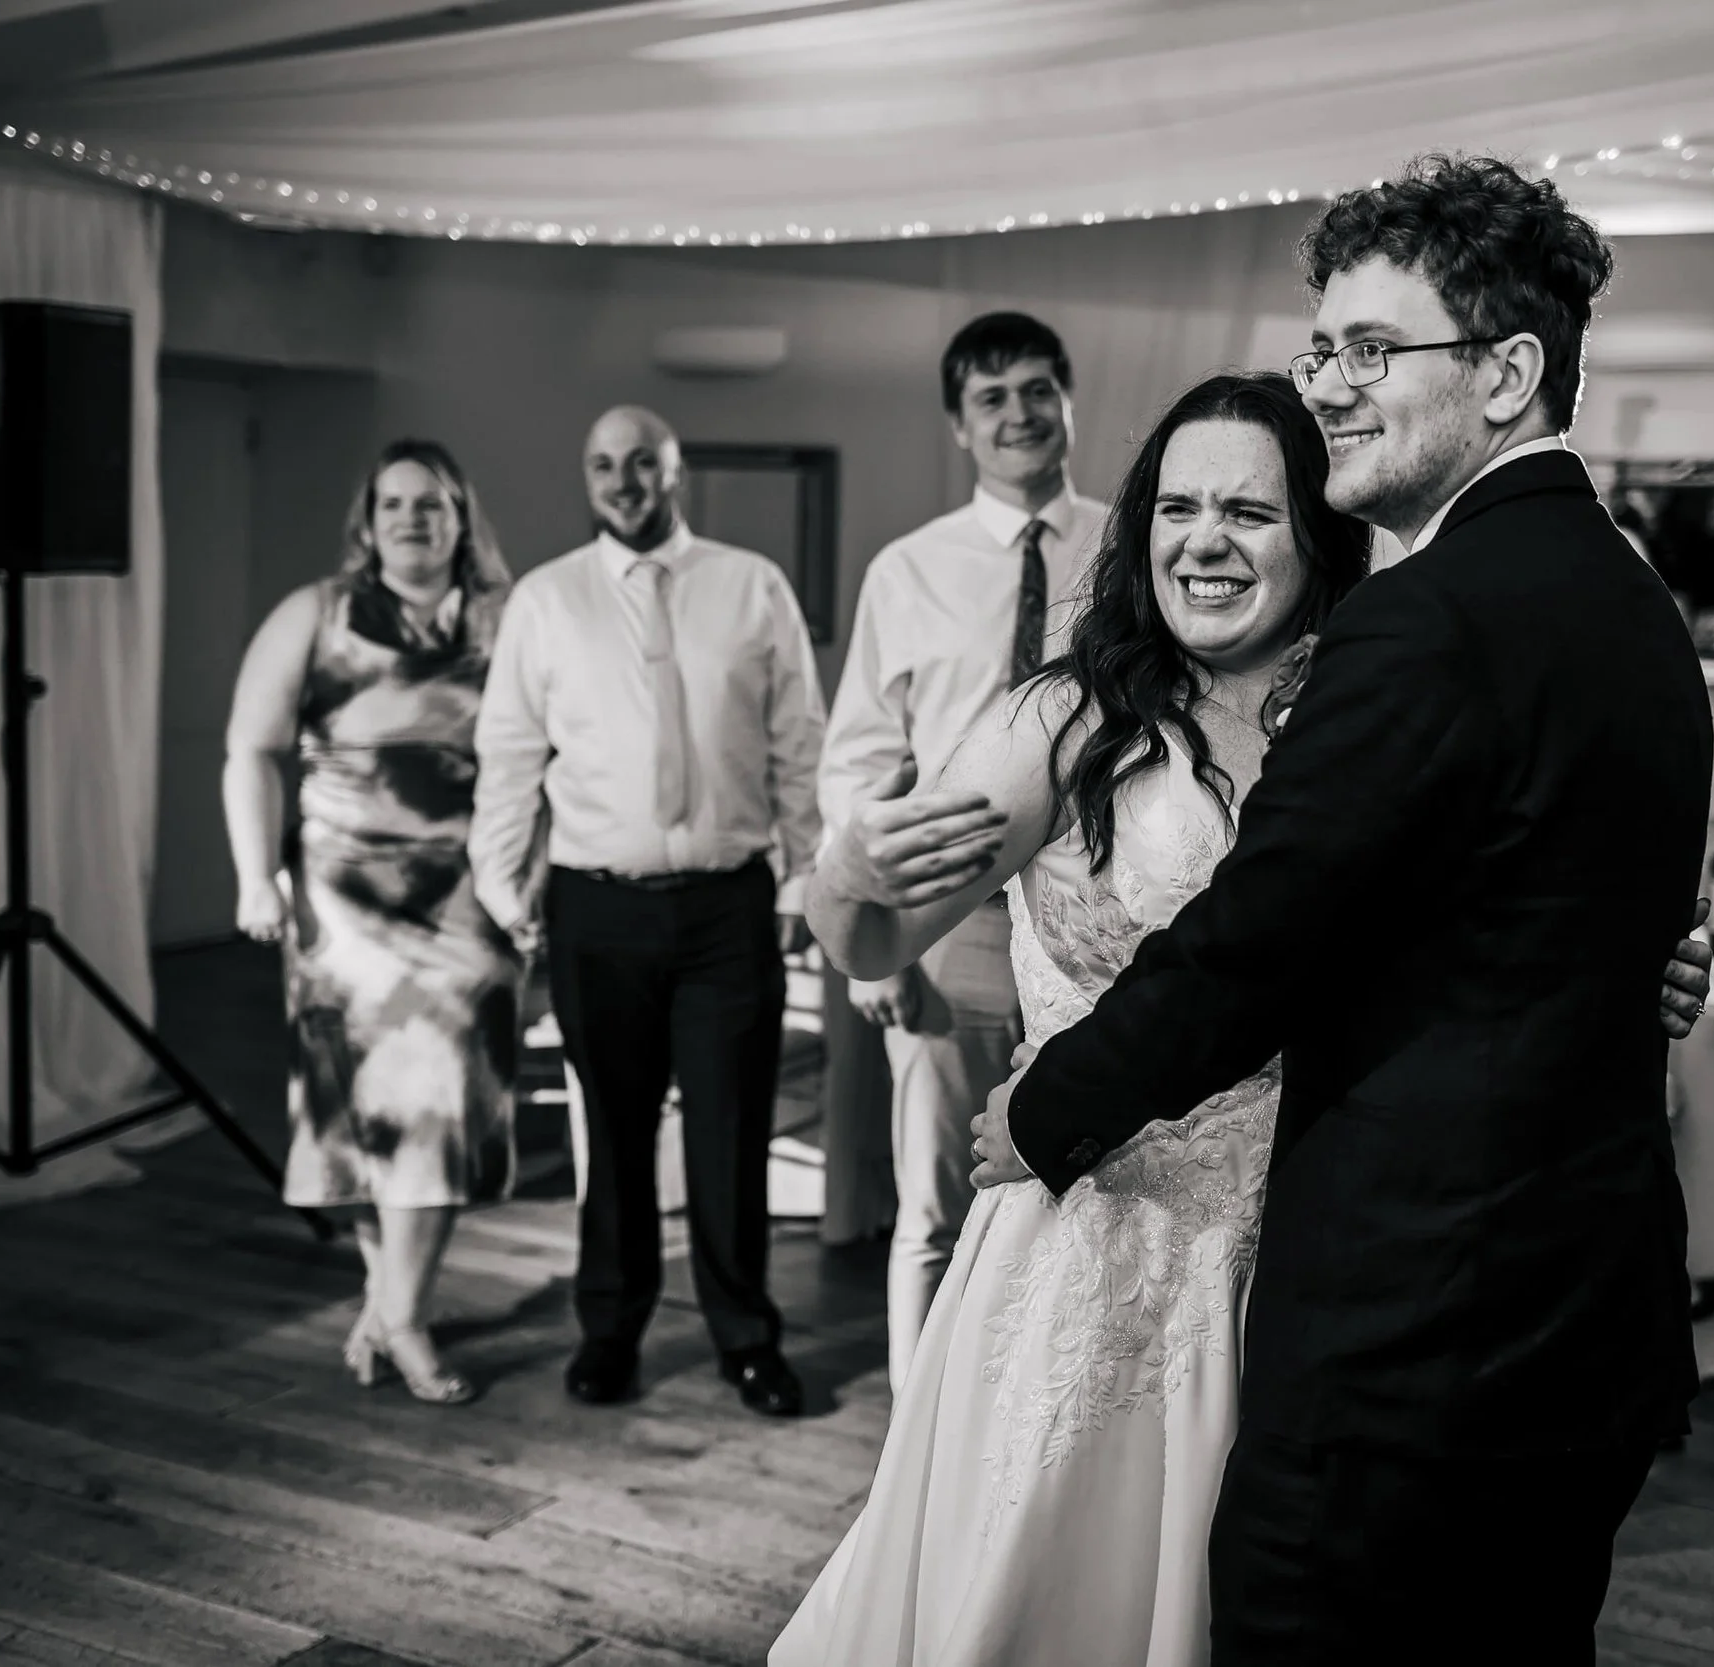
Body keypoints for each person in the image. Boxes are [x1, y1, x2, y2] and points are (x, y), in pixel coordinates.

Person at [773, 369, 1712, 1665]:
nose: (1201, 540)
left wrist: (1640, 964)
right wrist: (846, 866)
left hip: (1315, 1243)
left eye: (1249, 513)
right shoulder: (1066, 717)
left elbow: (1495, 930)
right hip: (1094, 1229)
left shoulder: (1383, 701)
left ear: (1318, 530)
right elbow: (868, 937)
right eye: (1175, 506)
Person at [468, 405, 825, 1417]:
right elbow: (507, 756)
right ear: (587, 480)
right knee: (615, 1134)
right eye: (602, 465)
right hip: (596, 906)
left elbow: (801, 741)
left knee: (729, 1129)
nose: (622, 481)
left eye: (640, 463)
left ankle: (746, 1337)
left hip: (728, 906)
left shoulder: (750, 583)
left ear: (675, 471)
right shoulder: (546, 601)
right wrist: (504, 888)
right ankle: (609, 1331)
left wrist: (803, 877)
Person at [819, 311, 1110, 1392]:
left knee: (1081, 1186)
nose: (1018, 414)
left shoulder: (1135, 548)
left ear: (1067, 399)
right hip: (950, 927)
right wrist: (876, 945)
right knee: (935, 1205)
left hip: (1098, 923)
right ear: (958, 424)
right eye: (991, 398)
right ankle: (916, 1441)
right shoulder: (906, 571)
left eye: (1037, 389)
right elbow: (856, 765)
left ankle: (1040, 1423)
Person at [223, 438, 519, 1406]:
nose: (411, 519)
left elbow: (550, 755)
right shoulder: (313, 614)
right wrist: (254, 876)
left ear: (459, 515)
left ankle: (403, 1313)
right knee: (361, 1122)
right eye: (393, 503)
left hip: (466, 904)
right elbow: (251, 749)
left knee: (440, 1108)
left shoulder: (506, 616)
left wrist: (532, 880)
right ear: (368, 519)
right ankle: (390, 1302)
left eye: (430, 503)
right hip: (340, 909)